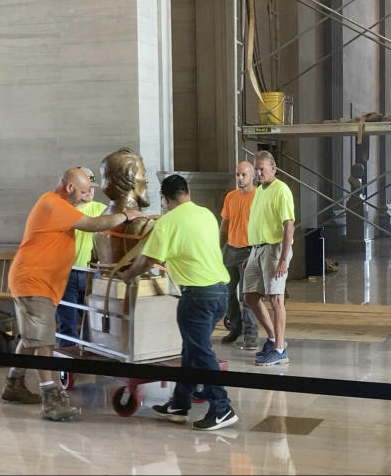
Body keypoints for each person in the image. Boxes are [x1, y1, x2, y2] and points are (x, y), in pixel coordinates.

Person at [2, 167, 145, 421]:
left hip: (39, 282)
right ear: (69, 188)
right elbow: (93, 225)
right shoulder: (52, 203)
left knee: (31, 339)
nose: (86, 195)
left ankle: (14, 384)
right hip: (33, 282)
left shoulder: (59, 204)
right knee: (44, 342)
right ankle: (51, 399)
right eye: (82, 191)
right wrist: (126, 214)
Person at [120, 174, 239, 431]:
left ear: (165, 199)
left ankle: (222, 408)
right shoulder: (206, 214)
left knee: (201, 352)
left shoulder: (168, 222)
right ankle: (179, 404)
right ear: (187, 192)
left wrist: (126, 275)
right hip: (220, 292)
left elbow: (147, 260)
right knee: (191, 350)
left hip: (197, 295)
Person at [244, 150, 295, 366]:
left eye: (261, 169)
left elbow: (288, 225)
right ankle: (274, 338)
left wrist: (283, 258)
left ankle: (280, 350)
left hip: (274, 250)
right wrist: (252, 252)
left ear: (273, 168)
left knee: (276, 299)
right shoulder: (260, 191)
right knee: (250, 296)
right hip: (257, 249)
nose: (257, 173)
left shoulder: (281, 190)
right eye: (255, 169)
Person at [56, 167, 107, 348]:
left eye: (93, 187)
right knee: (67, 321)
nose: (90, 191)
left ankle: (88, 358)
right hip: (65, 273)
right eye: (86, 188)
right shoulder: (61, 209)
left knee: (92, 322)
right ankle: (67, 367)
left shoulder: (102, 209)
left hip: (91, 274)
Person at [219, 161, 259, 350]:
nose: (240, 178)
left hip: (249, 250)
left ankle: (251, 335)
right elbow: (224, 224)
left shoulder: (259, 197)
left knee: (247, 295)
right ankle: (235, 328)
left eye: (243, 175)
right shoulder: (230, 197)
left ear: (252, 176)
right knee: (228, 292)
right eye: (237, 175)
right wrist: (218, 249)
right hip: (231, 249)